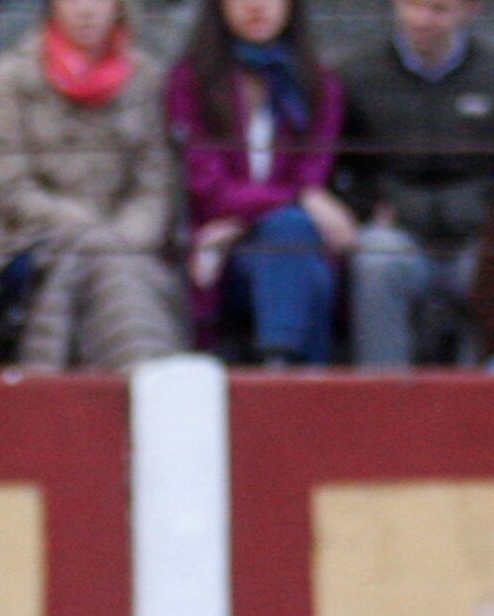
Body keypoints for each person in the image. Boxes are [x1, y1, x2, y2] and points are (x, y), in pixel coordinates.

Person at [0, 0, 184, 372]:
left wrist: (119, 238)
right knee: (105, 262)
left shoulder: (146, 76)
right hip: (33, 238)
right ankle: (144, 375)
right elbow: (9, 185)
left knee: (104, 264)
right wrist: (88, 231)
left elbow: (154, 187)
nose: (86, 10)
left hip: (126, 243)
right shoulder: (11, 74)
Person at [166, 0, 349, 365]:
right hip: (217, 257)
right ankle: (296, 386)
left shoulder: (318, 85)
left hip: (273, 241)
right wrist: (293, 197)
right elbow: (208, 186)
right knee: (297, 233)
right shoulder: (189, 81)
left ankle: (278, 367)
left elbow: (312, 173)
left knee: (293, 235)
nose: (256, 5)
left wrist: (241, 221)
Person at [341, 0, 492, 366]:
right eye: (412, 5)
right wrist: (363, 207)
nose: (421, 19)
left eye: (438, 9)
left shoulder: (489, 74)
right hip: (399, 235)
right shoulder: (358, 77)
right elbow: (341, 165)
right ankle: (383, 392)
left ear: (468, 10)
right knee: (376, 259)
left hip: (477, 239)